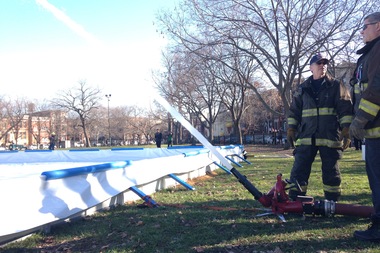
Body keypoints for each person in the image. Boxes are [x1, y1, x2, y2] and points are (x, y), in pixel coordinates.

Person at [286, 52, 353, 202]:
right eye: (319, 63)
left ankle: (332, 201)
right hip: (306, 137)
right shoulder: (302, 88)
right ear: (311, 68)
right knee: (299, 171)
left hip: (329, 137)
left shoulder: (336, 86)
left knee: (331, 171)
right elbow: (294, 111)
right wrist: (291, 129)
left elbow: (345, 109)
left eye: (324, 63)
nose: (322, 65)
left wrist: (346, 129)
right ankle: (297, 202)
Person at [349, 12, 380, 242]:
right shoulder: (370, 54)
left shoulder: (378, 51)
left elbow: (376, 89)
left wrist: (360, 121)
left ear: (378, 26)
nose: (362, 31)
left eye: (365, 26)